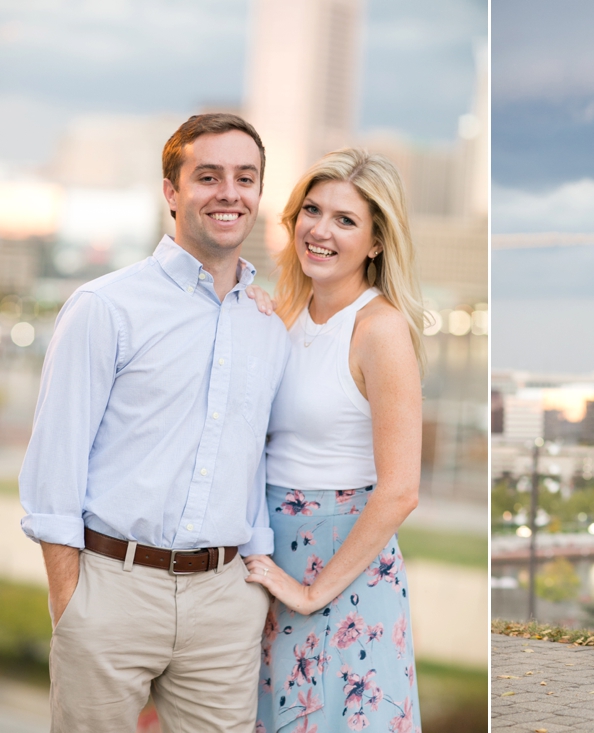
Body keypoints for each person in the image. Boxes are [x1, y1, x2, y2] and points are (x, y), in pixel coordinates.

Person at [18, 113, 289, 732]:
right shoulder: (104, 307)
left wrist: (254, 584)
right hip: (112, 589)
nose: (229, 193)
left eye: (245, 178)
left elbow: (256, 463)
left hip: (225, 602)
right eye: (208, 176)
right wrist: (73, 606)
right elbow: (54, 468)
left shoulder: (268, 325)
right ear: (171, 191)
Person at [243, 149, 425, 733]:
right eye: (312, 211)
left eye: (345, 220)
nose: (320, 230)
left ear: (376, 241)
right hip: (264, 559)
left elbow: (399, 491)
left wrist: (309, 593)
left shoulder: (382, 330)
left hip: (338, 571)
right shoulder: (284, 312)